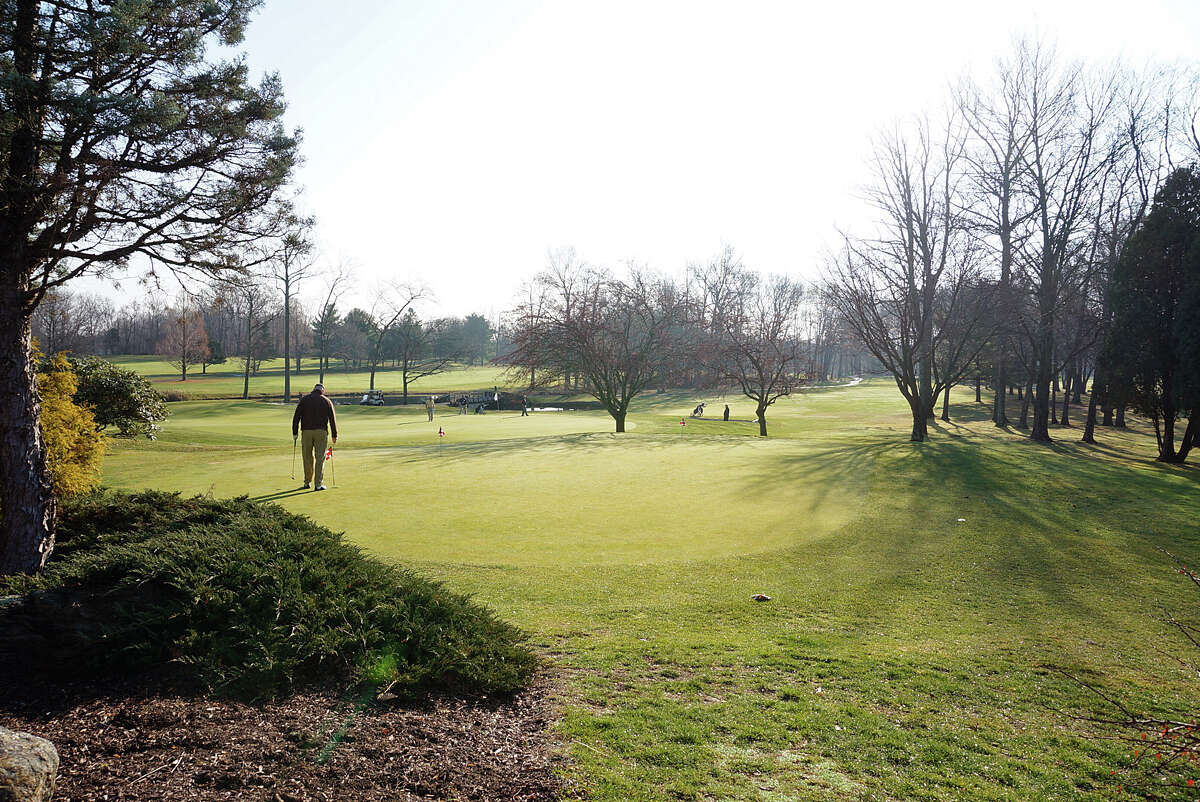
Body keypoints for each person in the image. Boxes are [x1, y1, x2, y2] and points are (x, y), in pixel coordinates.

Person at [292, 383, 338, 491]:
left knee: (307, 457)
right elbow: (332, 419)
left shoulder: (304, 400)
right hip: (321, 432)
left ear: (313, 390)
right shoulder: (326, 401)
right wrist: (334, 434)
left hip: (306, 432)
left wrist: (295, 432)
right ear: (323, 390)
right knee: (320, 458)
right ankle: (318, 484)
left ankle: (307, 482)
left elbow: (296, 417)